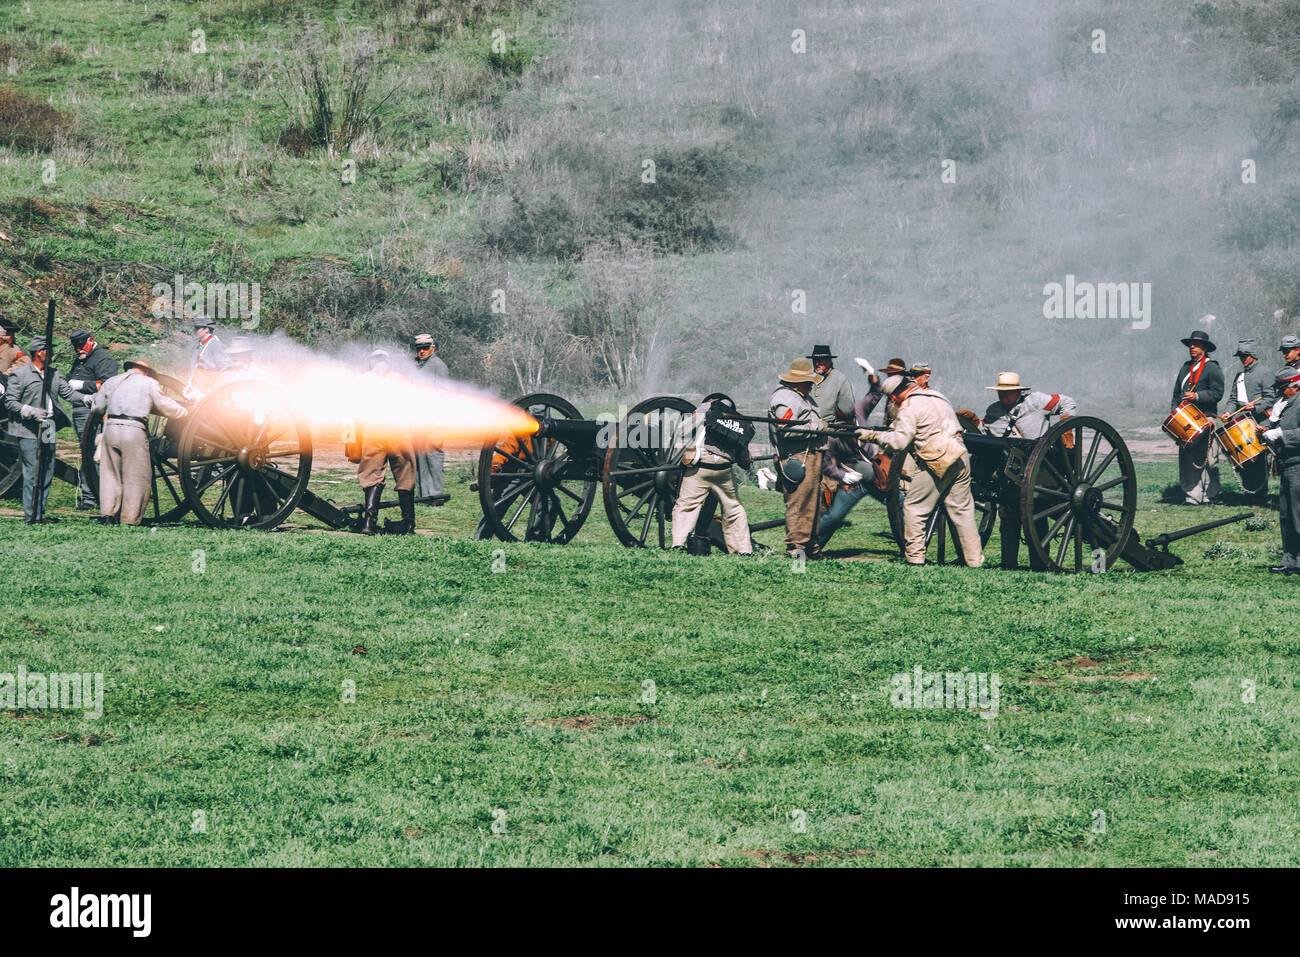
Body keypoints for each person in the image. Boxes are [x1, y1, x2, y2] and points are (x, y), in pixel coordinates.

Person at [858, 373, 983, 567]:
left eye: (892, 398)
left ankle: (915, 559)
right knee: (963, 511)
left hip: (937, 458)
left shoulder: (909, 407)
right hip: (960, 454)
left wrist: (872, 435)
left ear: (894, 396)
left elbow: (900, 442)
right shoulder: (939, 397)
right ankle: (975, 561)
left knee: (915, 508)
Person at [982, 372, 1077, 569]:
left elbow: (1067, 401)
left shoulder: (1036, 402)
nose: (1003, 396)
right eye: (1001, 392)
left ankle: (1039, 564)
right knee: (1007, 516)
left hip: (1041, 471)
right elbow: (987, 436)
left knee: (1037, 516)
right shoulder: (993, 412)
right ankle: (1008, 563)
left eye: (1007, 392)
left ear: (1018, 391)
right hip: (1009, 474)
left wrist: (1066, 427)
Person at [3, 336, 92, 524]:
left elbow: (68, 393)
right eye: (48, 351)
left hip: (48, 426)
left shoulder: (53, 374)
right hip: (28, 429)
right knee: (31, 472)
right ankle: (31, 516)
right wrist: (28, 410)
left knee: (47, 470)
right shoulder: (20, 375)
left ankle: (40, 514)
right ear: (38, 352)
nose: (51, 354)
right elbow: (10, 401)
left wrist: (85, 399)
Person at [90, 358, 188, 525]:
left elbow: (97, 408)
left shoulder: (112, 382)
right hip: (134, 430)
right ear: (147, 371)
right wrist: (186, 413)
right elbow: (165, 405)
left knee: (110, 475)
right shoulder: (149, 383)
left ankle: (108, 514)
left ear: (130, 369)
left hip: (111, 429)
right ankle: (130, 519)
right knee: (136, 476)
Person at [817, 359, 890, 548]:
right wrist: (844, 475)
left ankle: (911, 546)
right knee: (833, 517)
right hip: (852, 479)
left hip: (874, 474)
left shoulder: (859, 411)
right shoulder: (832, 435)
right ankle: (811, 547)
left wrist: (871, 375)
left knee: (898, 502)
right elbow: (826, 465)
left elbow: (875, 394)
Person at [670, 393, 754, 554]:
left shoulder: (707, 409)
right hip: (723, 471)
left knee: (686, 505)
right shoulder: (739, 421)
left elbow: (682, 430)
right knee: (734, 508)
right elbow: (744, 461)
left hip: (701, 467)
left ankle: (678, 545)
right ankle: (742, 550)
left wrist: (700, 414)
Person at [768, 357, 828, 559]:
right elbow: (786, 430)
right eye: (808, 381)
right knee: (799, 506)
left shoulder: (801, 396)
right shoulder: (784, 399)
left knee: (813, 506)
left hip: (810, 456)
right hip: (797, 458)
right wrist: (817, 428)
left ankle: (811, 550)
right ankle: (796, 553)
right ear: (797, 381)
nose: (811, 385)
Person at [356, 349, 416, 535]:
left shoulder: (364, 379)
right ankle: (408, 523)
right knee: (405, 473)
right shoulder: (400, 379)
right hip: (399, 428)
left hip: (374, 428)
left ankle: (369, 523)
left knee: (372, 474)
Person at [67, 329, 120, 510]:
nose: (78, 350)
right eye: (76, 347)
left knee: (93, 453)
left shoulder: (103, 359)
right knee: (86, 452)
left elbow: (108, 384)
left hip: (95, 412)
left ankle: (93, 496)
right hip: (80, 410)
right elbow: (69, 379)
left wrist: (82, 385)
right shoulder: (82, 358)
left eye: (82, 346)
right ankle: (92, 494)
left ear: (90, 341)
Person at [1170, 329, 1223, 505]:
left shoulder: (1212, 367)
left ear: (1204, 348)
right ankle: (1192, 495)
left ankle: (1210, 495)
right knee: (1188, 459)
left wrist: (1197, 396)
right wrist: (1175, 414)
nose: (1192, 347)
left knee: (1209, 459)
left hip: (1206, 417)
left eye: (1196, 345)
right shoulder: (1185, 367)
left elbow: (1217, 393)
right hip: (1186, 420)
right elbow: (1177, 393)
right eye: (1191, 345)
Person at [1222, 338, 1273, 505]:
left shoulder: (1265, 373)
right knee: (1243, 461)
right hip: (1241, 423)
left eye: (1245, 355)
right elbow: (1232, 398)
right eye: (1240, 356)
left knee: (1258, 461)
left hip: (1259, 423)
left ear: (1253, 355)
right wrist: (1228, 412)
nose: (1242, 359)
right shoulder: (1239, 376)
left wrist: (1255, 407)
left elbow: (1270, 398)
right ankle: (1249, 493)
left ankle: (1260, 496)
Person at [1262, 367, 1300, 574]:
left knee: (1298, 515)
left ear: (1295, 386)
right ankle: (1289, 560)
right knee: (1286, 516)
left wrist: (1281, 434)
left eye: (1283, 388)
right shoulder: (1285, 404)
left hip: (1298, 465)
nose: (1280, 392)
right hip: (1286, 465)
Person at [411, 333, 448, 501]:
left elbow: (443, 395)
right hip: (418, 420)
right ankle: (423, 495)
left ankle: (436, 496)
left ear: (433, 348)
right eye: (419, 348)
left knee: (433, 456)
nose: (421, 351)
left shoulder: (438, 366)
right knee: (419, 457)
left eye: (425, 348)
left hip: (435, 420)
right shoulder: (415, 365)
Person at [809, 345, 854, 425]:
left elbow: (848, 411)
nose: (817, 363)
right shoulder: (807, 378)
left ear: (829, 361)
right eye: (815, 360)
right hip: (808, 425)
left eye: (820, 360)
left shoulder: (840, 380)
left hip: (830, 428)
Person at [188, 319, 233, 394]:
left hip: (208, 391)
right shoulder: (200, 345)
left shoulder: (215, 344)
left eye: (197, 328)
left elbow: (226, 367)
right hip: (196, 388)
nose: (195, 331)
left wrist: (214, 388)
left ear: (206, 329)